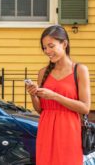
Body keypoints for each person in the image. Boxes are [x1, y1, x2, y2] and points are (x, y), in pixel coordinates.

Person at [26, 25, 91, 165]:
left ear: (64, 44)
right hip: (46, 130)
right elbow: (40, 109)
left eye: (51, 46)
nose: (47, 51)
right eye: (44, 48)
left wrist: (55, 96)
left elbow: (85, 108)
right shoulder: (43, 73)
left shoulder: (80, 70)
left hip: (69, 131)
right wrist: (33, 94)